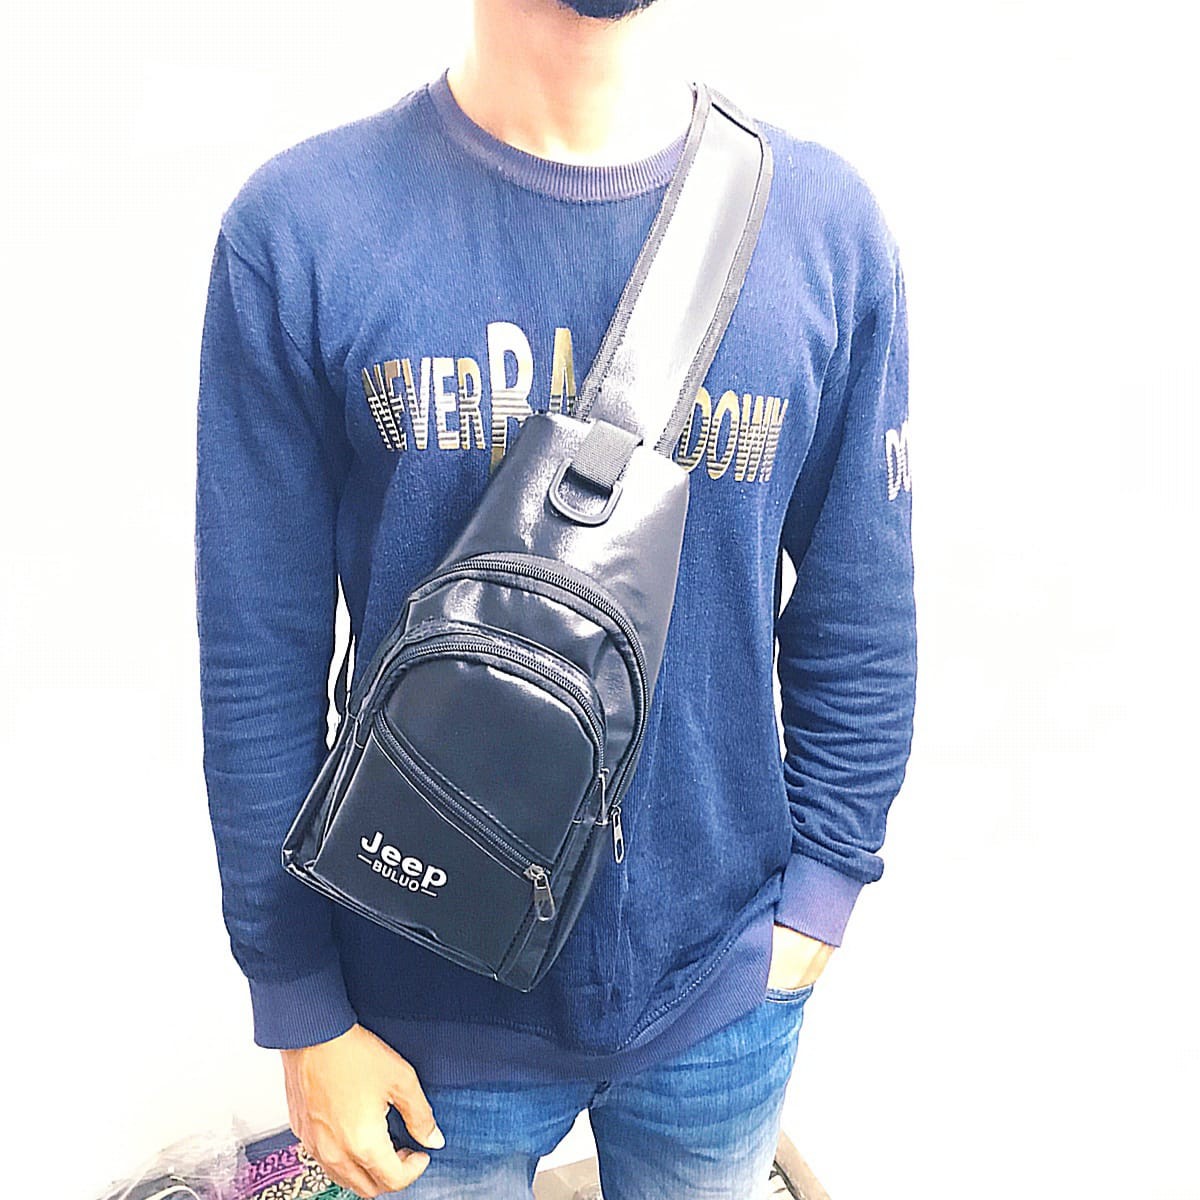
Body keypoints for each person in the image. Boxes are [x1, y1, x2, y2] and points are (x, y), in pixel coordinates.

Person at [193, 0, 916, 1194]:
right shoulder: (302, 230)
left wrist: (821, 895)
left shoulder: (822, 229)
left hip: (721, 991)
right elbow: (256, 659)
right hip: (414, 1000)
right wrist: (300, 1000)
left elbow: (860, 609)